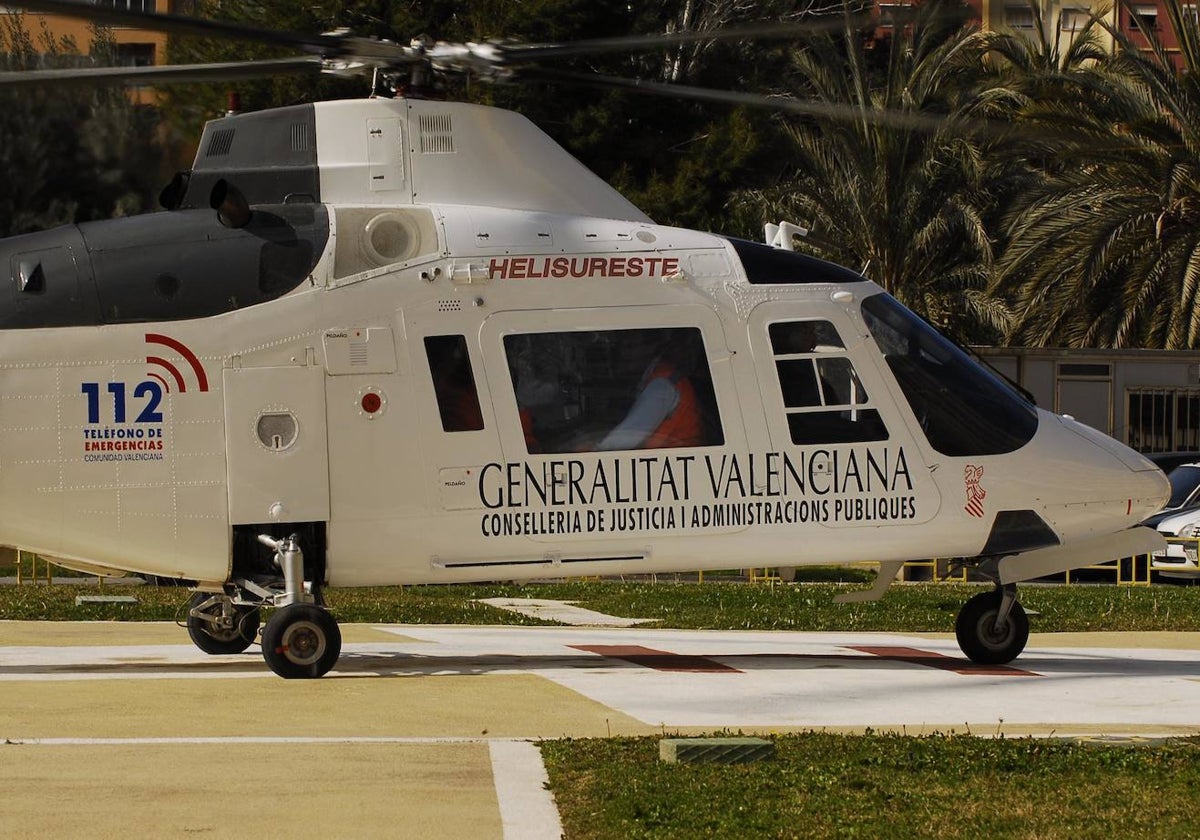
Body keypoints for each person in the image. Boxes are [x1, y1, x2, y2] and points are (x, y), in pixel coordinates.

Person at [596, 337, 705, 451]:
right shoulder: (659, 376)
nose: (624, 354)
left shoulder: (661, 385)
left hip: (673, 462)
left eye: (631, 347)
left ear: (651, 348)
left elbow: (622, 441)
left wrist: (594, 452)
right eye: (622, 347)